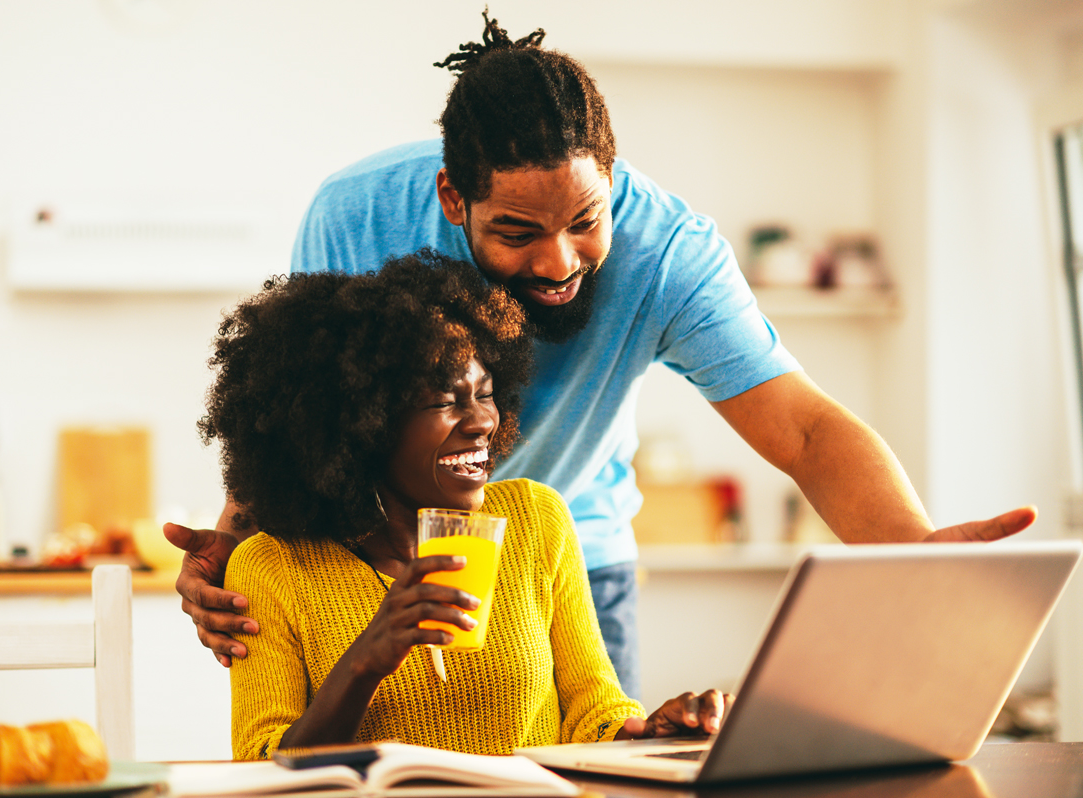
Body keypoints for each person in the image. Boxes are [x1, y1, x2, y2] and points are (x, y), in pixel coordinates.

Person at [166, 11, 1036, 698]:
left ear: (612, 180)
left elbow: (802, 431)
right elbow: (294, 407)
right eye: (515, 232)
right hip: (375, 553)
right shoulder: (356, 213)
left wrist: (918, 559)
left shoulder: (668, 252)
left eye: (586, 221)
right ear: (451, 195)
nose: (556, 263)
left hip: (570, 557)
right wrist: (242, 540)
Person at [201, 251, 728, 759]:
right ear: (363, 425)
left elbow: (595, 714)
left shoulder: (534, 519)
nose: (482, 422)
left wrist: (649, 733)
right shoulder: (271, 567)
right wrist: (365, 661)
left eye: (485, 393)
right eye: (444, 402)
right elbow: (261, 765)